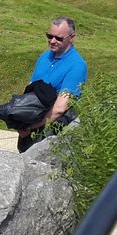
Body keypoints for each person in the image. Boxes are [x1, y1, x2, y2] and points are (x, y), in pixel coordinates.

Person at [18, 16, 88, 152]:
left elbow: (60, 108)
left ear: (72, 37)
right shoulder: (44, 57)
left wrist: (30, 126)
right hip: (29, 126)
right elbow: (30, 89)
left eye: (59, 38)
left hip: (52, 131)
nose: (52, 41)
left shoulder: (77, 65)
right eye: (49, 36)